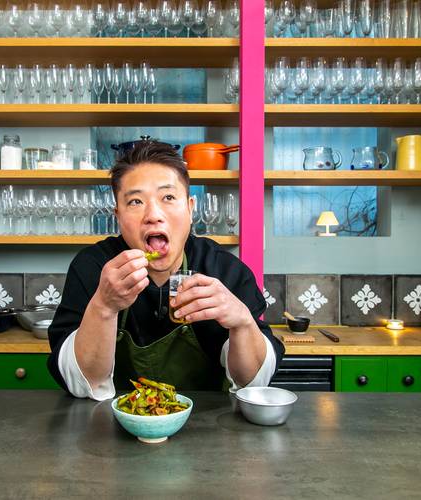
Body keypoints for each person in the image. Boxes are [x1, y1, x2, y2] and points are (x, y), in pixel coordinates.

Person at [47, 141, 284, 400]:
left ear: (190, 208)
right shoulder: (92, 266)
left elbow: (252, 382)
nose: (153, 215)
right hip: (109, 420)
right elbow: (80, 382)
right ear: (118, 216)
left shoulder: (223, 269)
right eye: (135, 201)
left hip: (208, 420)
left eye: (168, 197)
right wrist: (103, 306)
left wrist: (242, 322)